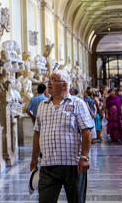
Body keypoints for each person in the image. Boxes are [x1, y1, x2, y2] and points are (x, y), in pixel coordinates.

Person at [30, 70, 94, 203]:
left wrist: (84, 157)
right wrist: (34, 157)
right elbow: (37, 132)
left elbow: (86, 130)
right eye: (49, 80)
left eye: (53, 80)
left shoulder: (77, 104)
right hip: (48, 163)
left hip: (73, 164)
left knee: (76, 199)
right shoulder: (43, 105)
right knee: (45, 200)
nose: (49, 83)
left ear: (64, 85)